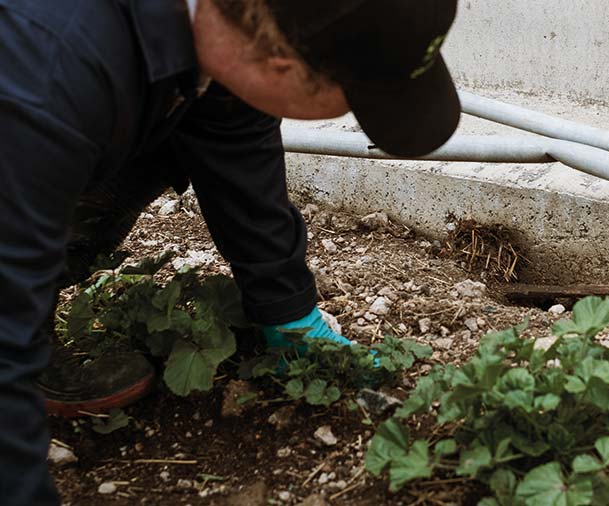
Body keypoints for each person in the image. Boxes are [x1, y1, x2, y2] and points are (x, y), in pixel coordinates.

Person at [0, 0, 461, 503]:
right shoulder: (46, 76)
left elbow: (233, 130)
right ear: (282, 66)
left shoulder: (219, 33)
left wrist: (287, 309)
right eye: (359, 101)